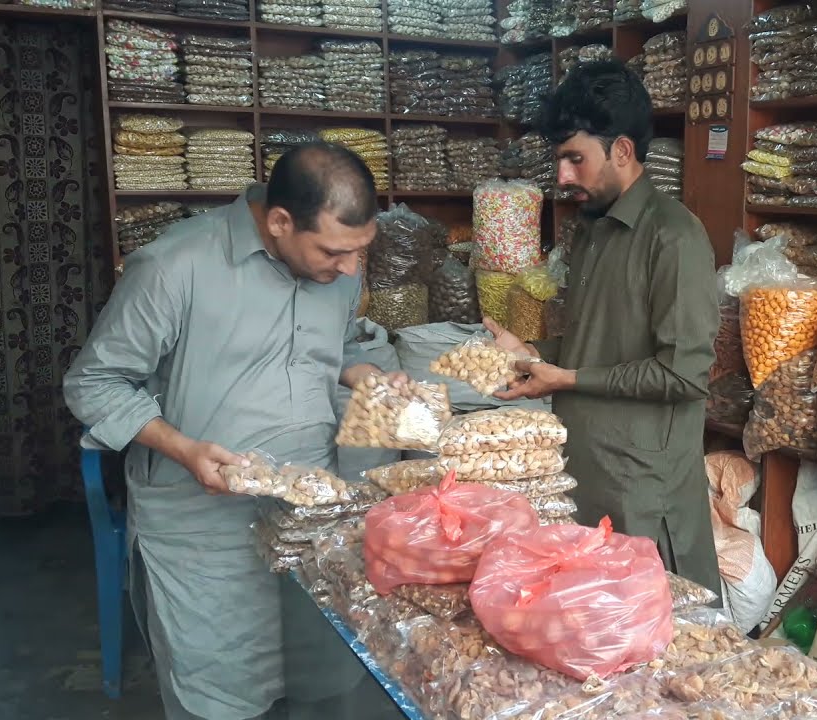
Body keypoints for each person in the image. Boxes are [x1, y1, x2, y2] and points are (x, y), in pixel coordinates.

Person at [64, 143, 403, 720]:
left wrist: (363, 371)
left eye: (359, 252)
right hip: (204, 533)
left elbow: (331, 345)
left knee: (319, 677)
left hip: (309, 519)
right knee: (220, 690)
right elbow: (92, 384)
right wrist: (183, 447)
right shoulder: (175, 266)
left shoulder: (340, 271)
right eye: (333, 251)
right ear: (279, 221)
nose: (349, 269)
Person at [486, 60, 722, 594]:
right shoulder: (591, 230)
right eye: (560, 160)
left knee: (657, 644)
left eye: (576, 159)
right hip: (585, 473)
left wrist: (564, 379)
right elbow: (601, 341)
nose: (564, 176)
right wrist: (531, 350)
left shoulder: (674, 238)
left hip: (643, 492)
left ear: (621, 151)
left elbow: (684, 376)